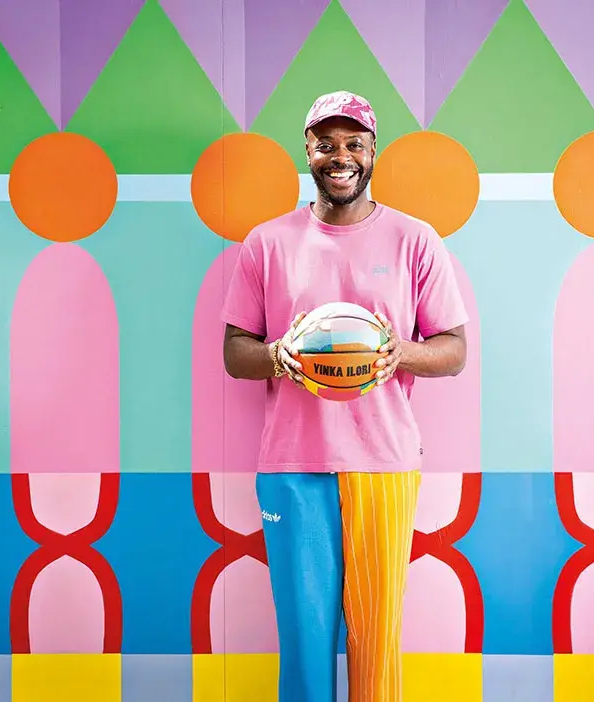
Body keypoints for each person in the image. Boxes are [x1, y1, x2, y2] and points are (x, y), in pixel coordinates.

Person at [220, 90, 469, 702]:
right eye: (325, 144)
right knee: (304, 642)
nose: (340, 156)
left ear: (372, 151)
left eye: (353, 143)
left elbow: (454, 350)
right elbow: (235, 352)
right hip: (292, 468)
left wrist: (397, 354)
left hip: (383, 466)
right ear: (307, 151)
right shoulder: (267, 243)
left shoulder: (415, 240)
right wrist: (278, 355)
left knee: (376, 646)